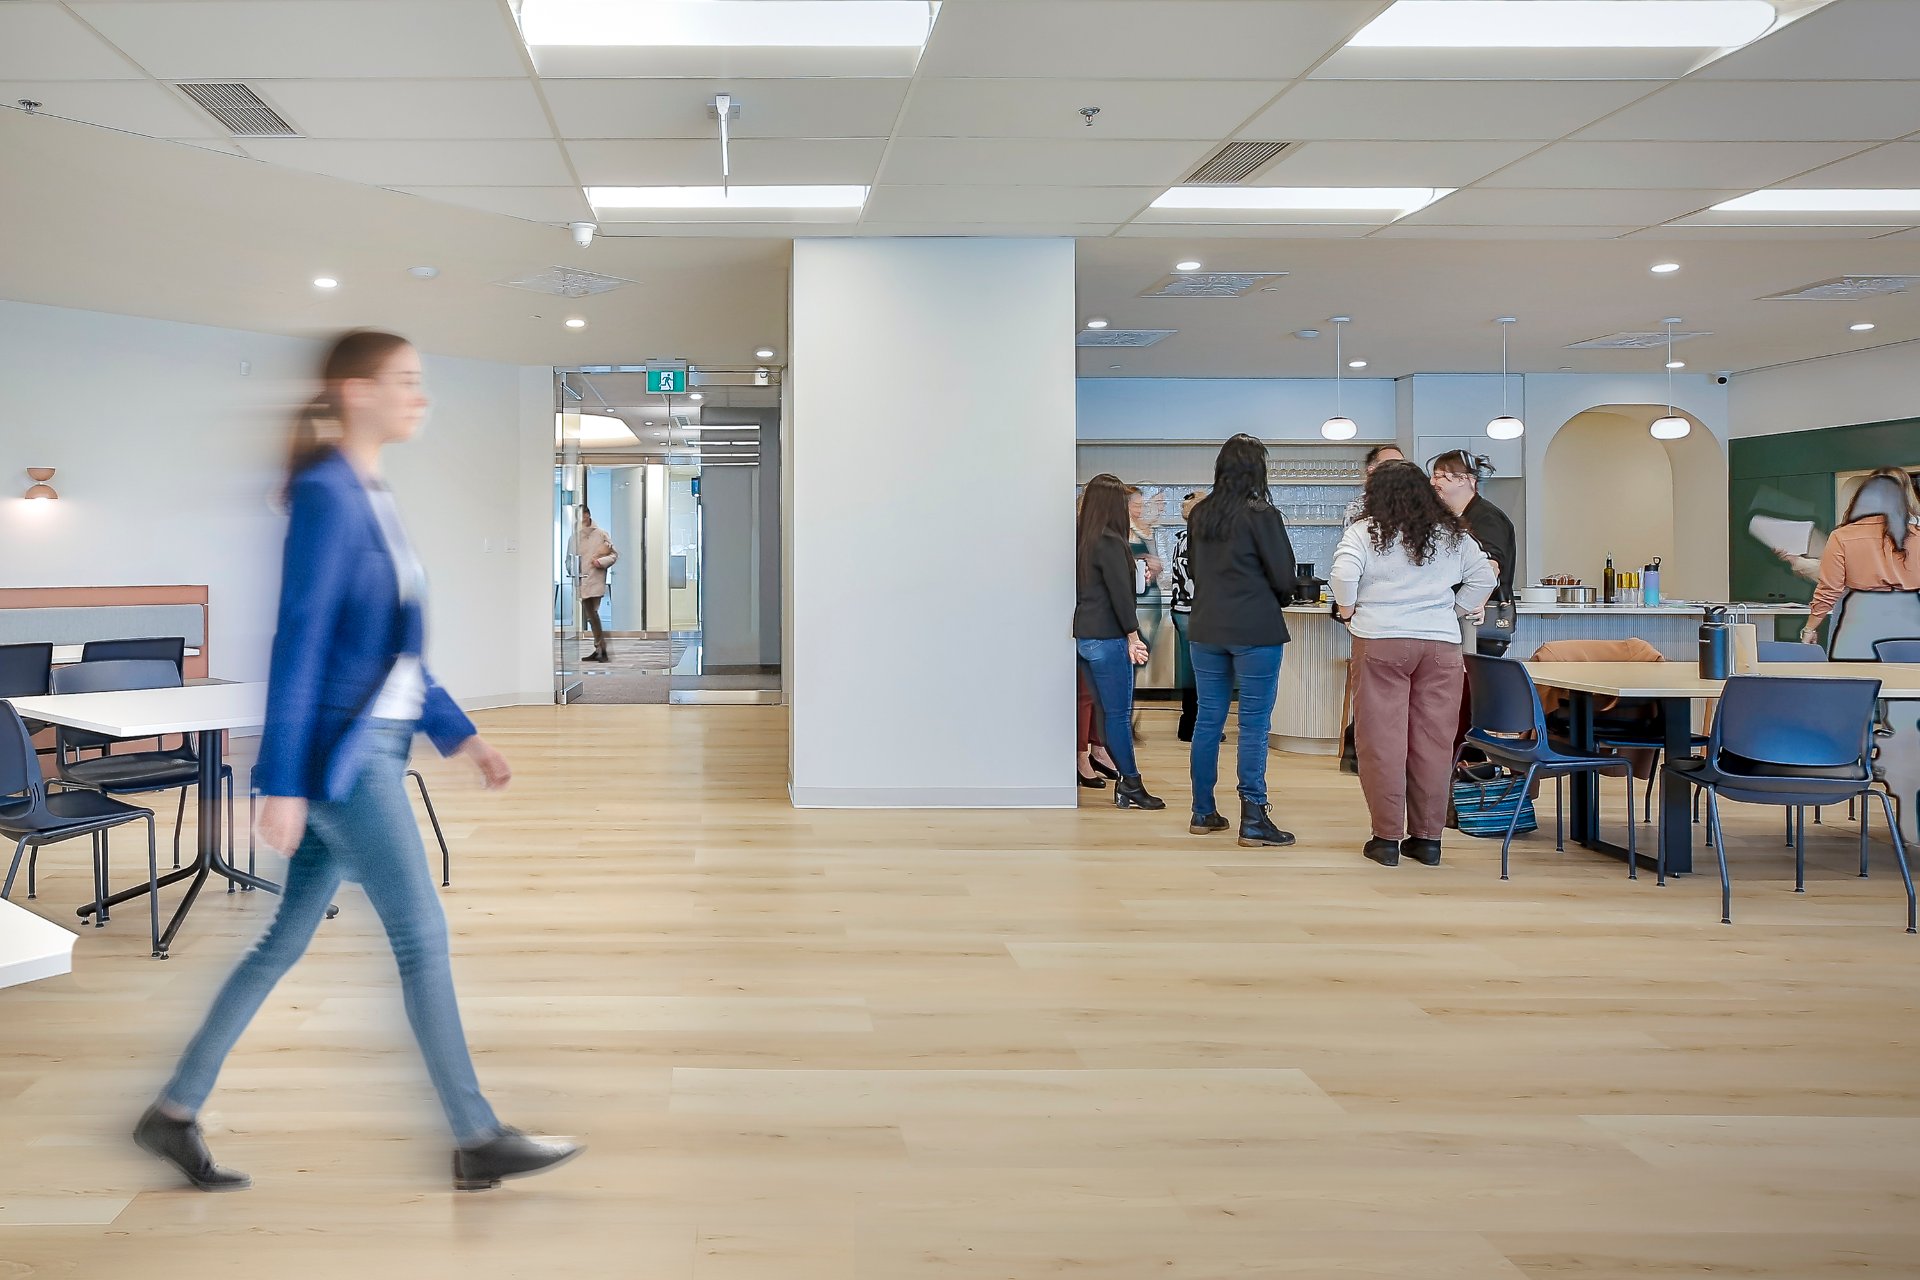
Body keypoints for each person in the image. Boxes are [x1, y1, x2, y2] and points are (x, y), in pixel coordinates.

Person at [134, 331, 581, 1194]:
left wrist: (464, 735)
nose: (420, 396)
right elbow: (299, 638)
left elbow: (393, 653)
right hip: (347, 759)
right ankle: (477, 1136)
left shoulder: (372, 494)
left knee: (281, 940)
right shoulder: (327, 494)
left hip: (364, 742)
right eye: (404, 380)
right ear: (354, 391)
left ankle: (174, 1111)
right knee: (421, 935)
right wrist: (282, 782)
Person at [1332, 460, 1496, 868]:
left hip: (1381, 640)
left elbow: (1342, 576)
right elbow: (1485, 578)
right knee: (1434, 743)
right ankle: (1427, 840)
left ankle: (1386, 840)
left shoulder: (1365, 532)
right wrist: (1453, 610)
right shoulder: (1453, 534)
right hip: (1440, 645)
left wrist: (1348, 611)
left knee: (1382, 742)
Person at [1185, 434, 1298, 847]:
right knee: (1253, 724)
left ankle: (1203, 811)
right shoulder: (1262, 513)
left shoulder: (1200, 514)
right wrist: (1278, 597)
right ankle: (1253, 816)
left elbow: (1195, 570)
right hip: (1255, 628)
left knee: (1208, 720)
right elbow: (1284, 576)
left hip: (1206, 628)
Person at [1075, 474, 1164, 810]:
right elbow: (1120, 596)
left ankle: (1125, 779)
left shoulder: (1082, 539)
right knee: (1117, 715)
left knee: (1100, 711)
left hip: (1085, 635)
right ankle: (1131, 783)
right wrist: (1133, 636)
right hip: (1109, 636)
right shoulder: (1111, 541)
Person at [1802, 471, 1920, 645]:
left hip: (1857, 617)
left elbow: (1829, 589)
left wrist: (1810, 628)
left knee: (1853, 663)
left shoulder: (1842, 536)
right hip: (1910, 617)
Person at [1430, 450, 1516, 603]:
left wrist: (1473, 603)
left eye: (1438, 476)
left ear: (1462, 479)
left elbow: (1491, 567)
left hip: (1479, 610)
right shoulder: (1447, 519)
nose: (1432, 482)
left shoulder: (1488, 517)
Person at [1169, 492, 1200, 742]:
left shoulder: (1183, 538)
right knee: (1199, 671)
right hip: (1194, 612)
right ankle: (1193, 726)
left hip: (1182, 611)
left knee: (1191, 670)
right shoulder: (1197, 541)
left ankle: (1189, 724)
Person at [573, 505, 618, 663]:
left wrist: (600, 562)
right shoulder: (575, 537)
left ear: (588, 515)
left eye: (583, 514)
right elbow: (570, 558)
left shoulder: (601, 534)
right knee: (591, 615)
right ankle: (599, 648)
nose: (582, 518)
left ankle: (602, 649)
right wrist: (572, 570)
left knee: (592, 613)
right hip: (582, 579)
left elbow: (613, 555)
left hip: (595, 578)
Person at [1344, 443, 1406, 526]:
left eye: (1402, 464)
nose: (1399, 469)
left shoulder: (1413, 502)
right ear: (1372, 470)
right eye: (1390, 464)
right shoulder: (1357, 508)